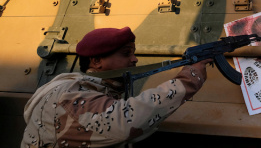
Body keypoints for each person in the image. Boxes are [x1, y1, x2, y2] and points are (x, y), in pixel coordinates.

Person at [22, 27, 211, 148]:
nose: (135, 59)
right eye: (126, 53)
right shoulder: (68, 95)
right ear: (96, 61)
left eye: (134, 53)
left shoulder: (92, 90)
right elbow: (126, 121)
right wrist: (190, 76)